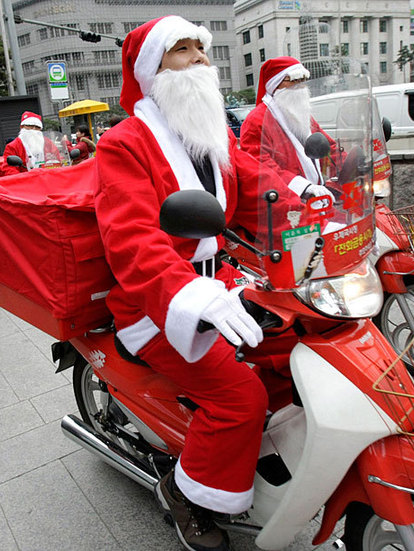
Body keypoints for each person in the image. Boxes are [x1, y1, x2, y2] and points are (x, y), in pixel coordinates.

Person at [94, 17, 304, 551]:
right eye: (181, 50)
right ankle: (185, 494)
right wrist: (189, 294)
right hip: (158, 301)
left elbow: (262, 182)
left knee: (302, 343)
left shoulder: (209, 133)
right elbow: (131, 239)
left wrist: (317, 207)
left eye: (201, 50)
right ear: (152, 71)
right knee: (239, 396)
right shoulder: (124, 143)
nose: (199, 60)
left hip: (223, 280)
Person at [240, 57, 337, 203]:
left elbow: (327, 147)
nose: (300, 86)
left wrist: (352, 164)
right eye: (293, 80)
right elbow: (260, 166)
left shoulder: (302, 115)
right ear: (275, 85)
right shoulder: (257, 120)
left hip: (318, 197)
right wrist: (303, 187)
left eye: (303, 80)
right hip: (281, 201)